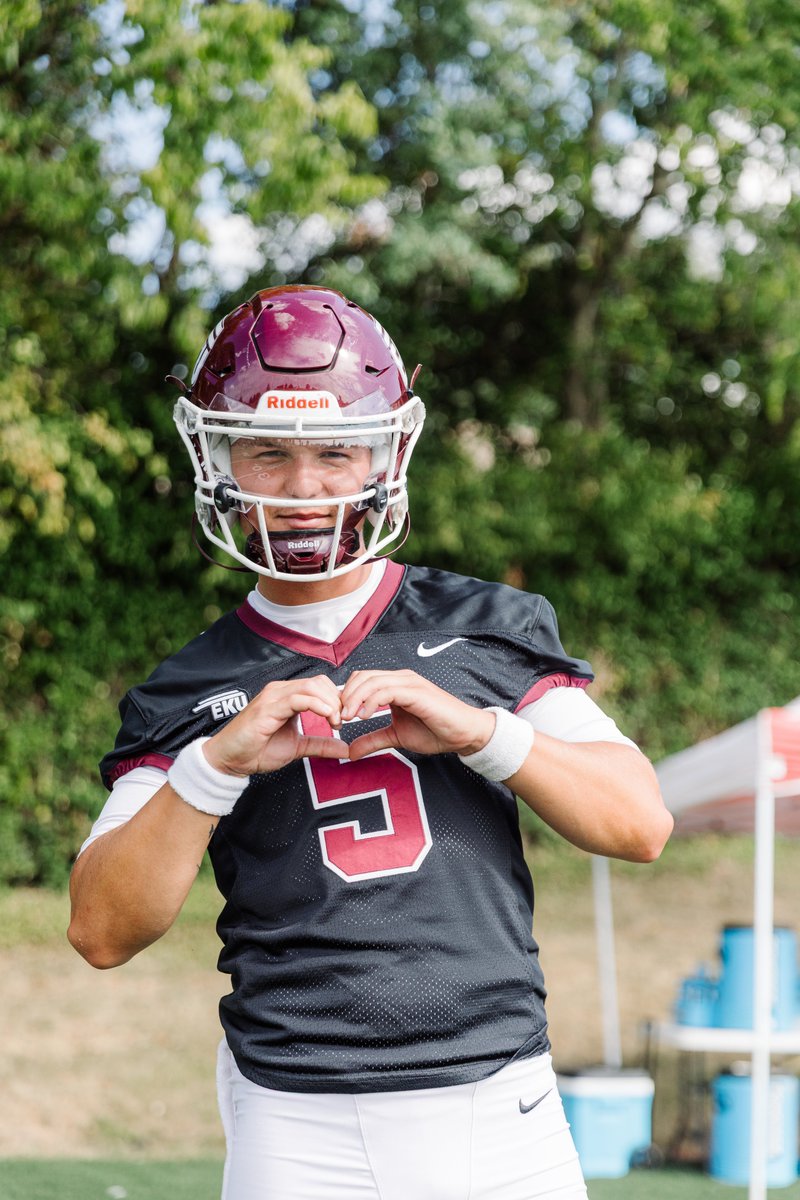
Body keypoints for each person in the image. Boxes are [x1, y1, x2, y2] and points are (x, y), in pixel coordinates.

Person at [68, 285, 673, 1200]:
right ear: (221, 457)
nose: (304, 488)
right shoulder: (188, 688)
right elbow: (100, 931)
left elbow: (640, 826)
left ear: (385, 455)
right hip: (294, 1114)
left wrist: (485, 733)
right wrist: (210, 767)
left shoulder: (484, 625)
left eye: (336, 452)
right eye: (268, 453)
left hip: (497, 1100)